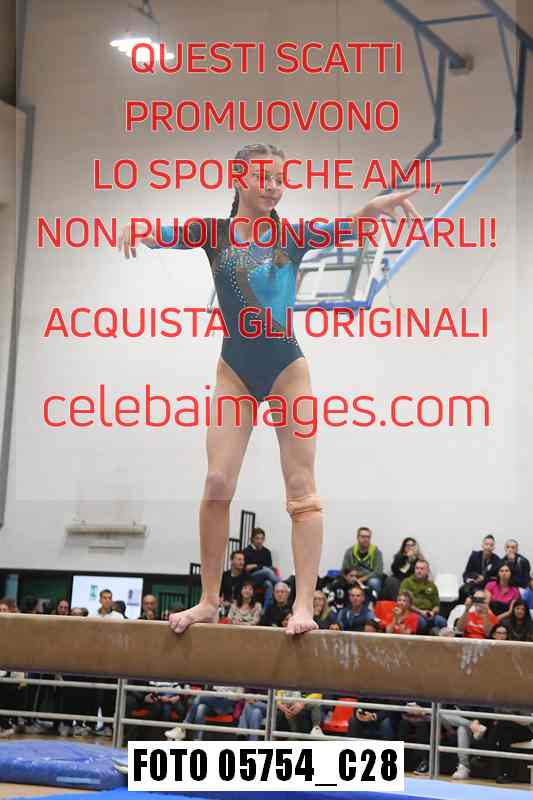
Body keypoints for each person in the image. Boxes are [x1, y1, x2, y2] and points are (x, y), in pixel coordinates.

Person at [120, 143, 419, 636]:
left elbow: (344, 227)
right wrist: (140, 230)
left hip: (285, 370)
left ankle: (303, 606)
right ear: (238, 177)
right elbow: (165, 233)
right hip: (235, 371)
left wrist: (370, 209)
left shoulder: (292, 236)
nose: (274, 186)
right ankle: (209, 600)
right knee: (217, 482)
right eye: (264, 177)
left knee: (302, 491)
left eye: (280, 178)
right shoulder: (213, 233)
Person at [399, 560, 446, 633]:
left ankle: (432, 631)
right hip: (412, 613)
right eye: (417, 568)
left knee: (442, 622)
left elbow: (436, 605)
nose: (419, 571)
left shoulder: (432, 585)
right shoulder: (407, 582)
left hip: (428, 614)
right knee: (422, 623)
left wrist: (432, 613)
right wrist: (421, 612)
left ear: (427, 571)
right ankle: (431, 631)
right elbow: (404, 603)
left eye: (422, 569)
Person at [341, 527, 384, 597]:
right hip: (354, 578)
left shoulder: (376, 552)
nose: (366, 539)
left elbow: (378, 572)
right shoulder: (350, 551)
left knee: (374, 582)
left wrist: (363, 579)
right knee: (341, 581)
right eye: (363, 537)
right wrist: (349, 577)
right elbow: (344, 569)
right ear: (357, 538)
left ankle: (373, 602)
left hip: (369, 578)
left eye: (368, 537)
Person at [459, 534, 501, 602]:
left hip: (487, 587)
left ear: (494, 547)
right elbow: (466, 573)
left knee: (480, 595)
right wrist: (471, 578)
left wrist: (484, 578)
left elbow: (497, 578)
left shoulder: (497, 560)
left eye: (491, 545)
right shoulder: (474, 556)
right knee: (462, 590)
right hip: (473, 585)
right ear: (482, 545)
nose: (488, 547)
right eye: (486, 544)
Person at [242, 529, 278, 607]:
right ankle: (282, 584)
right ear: (252, 539)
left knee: (269, 584)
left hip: (264, 578)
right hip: (251, 577)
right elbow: (246, 568)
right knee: (266, 572)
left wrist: (257, 566)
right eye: (257, 538)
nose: (259, 541)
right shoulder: (247, 551)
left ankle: (265, 610)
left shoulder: (267, 552)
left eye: (262, 538)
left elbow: (269, 567)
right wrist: (259, 566)